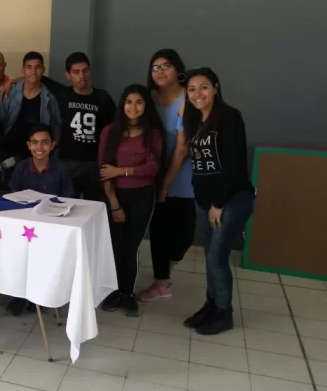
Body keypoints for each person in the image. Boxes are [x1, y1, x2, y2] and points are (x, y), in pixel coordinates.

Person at [181, 67, 254, 335]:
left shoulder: (229, 117)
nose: (197, 94)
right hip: (205, 201)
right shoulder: (195, 120)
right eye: (191, 89)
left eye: (203, 87)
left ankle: (224, 313)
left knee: (217, 257)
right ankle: (211, 305)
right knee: (210, 257)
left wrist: (218, 204)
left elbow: (233, 164)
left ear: (216, 87)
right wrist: (204, 200)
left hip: (230, 200)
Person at [99, 84, 164, 317]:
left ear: (146, 106)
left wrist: (121, 171)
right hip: (115, 196)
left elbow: (153, 168)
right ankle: (114, 291)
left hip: (142, 196)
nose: (133, 107)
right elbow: (104, 171)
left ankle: (128, 293)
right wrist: (114, 204)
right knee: (115, 246)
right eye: (128, 102)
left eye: (139, 102)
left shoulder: (153, 134)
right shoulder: (110, 132)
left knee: (131, 247)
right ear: (122, 105)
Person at [140, 49, 196, 301]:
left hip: (181, 176)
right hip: (151, 173)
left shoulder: (187, 98)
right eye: (156, 67)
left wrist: (165, 184)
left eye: (166, 66)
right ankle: (161, 281)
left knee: (184, 234)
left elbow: (182, 149)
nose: (160, 71)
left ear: (177, 69)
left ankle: (167, 267)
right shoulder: (149, 98)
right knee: (159, 230)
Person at [6, 123, 73, 315]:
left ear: (53, 145)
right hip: (23, 226)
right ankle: (20, 294)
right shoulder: (21, 168)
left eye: (44, 142)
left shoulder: (61, 170)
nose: (39, 147)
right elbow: (12, 197)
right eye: (35, 142)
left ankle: (43, 294)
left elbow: (67, 200)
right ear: (28, 145)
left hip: (52, 226)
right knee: (17, 255)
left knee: (47, 257)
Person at [52, 52, 116, 201]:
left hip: (95, 163)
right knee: (65, 205)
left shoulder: (102, 97)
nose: (82, 76)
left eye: (85, 71)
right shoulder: (63, 96)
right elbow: (39, 78)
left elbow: (114, 130)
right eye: (76, 72)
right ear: (67, 75)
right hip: (68, 162)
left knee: (96, 205)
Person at [0, 52, 61, 163]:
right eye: (29, 67)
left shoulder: (50, 98)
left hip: (36, 155)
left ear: (43, 70)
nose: (33, 71)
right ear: (23, 70)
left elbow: (57, 127)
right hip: (9, 151)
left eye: (37, 67)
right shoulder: (10, 93)